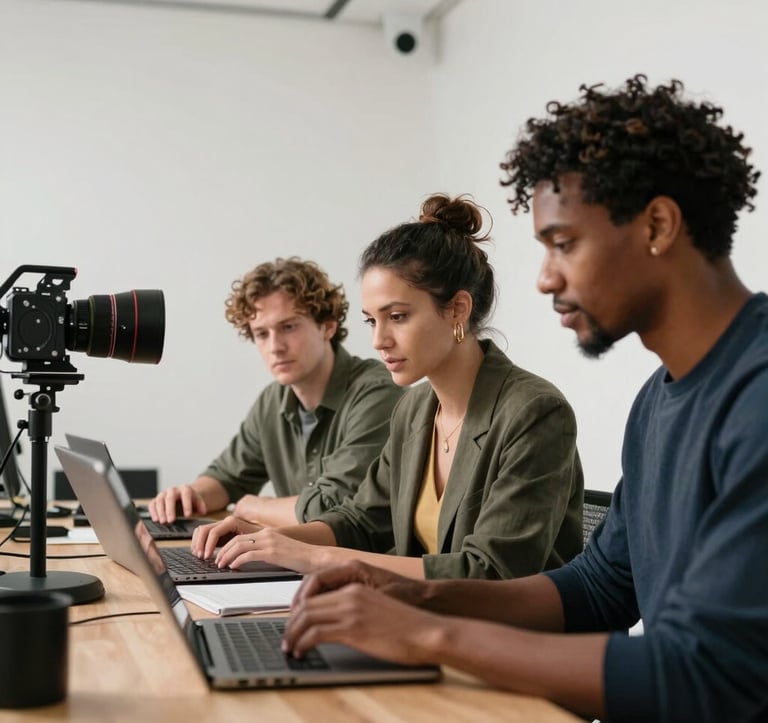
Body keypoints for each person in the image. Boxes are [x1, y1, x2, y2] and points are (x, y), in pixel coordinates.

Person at [280, 76, 768, 723]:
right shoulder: (657, 402)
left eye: (563, 243)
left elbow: (706, 672)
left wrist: (426, 633)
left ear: (657, 224)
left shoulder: (757, 397)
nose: (544, 278)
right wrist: (409, 593)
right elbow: (597, 588)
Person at [191, 193, 584, 580]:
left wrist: (316, 559)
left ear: (457, 309)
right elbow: (361, 521)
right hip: (426, 624)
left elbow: (491, 572)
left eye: (396, 316)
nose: (379, 340)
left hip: (509, 638)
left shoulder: (534, 412)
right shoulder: (414, 409)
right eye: (371, 321)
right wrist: (265, 539)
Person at [149, 257, 403, 527]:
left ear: (327, 326)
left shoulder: (377, 393)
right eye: (261, 333)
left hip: (366, 565)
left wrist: (254, 508)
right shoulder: (273, 400)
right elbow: (228, 477)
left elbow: (333, 506)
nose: (275, 347)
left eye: (289, 327)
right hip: (299, 561)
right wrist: (189, 495)